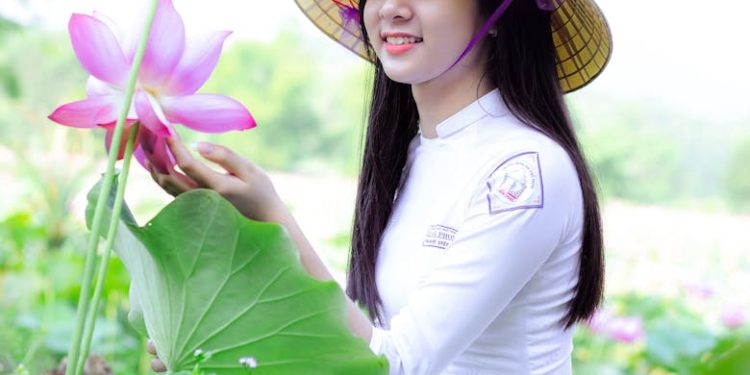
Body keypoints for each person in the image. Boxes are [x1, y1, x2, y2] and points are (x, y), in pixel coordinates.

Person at [147, 0, 612, 373]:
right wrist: (221, 350)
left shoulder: (527, 172)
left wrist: (271, 216)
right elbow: (361, 337)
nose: (391, 6)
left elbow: (395, 363)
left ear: (497, 13)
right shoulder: (415, 154)